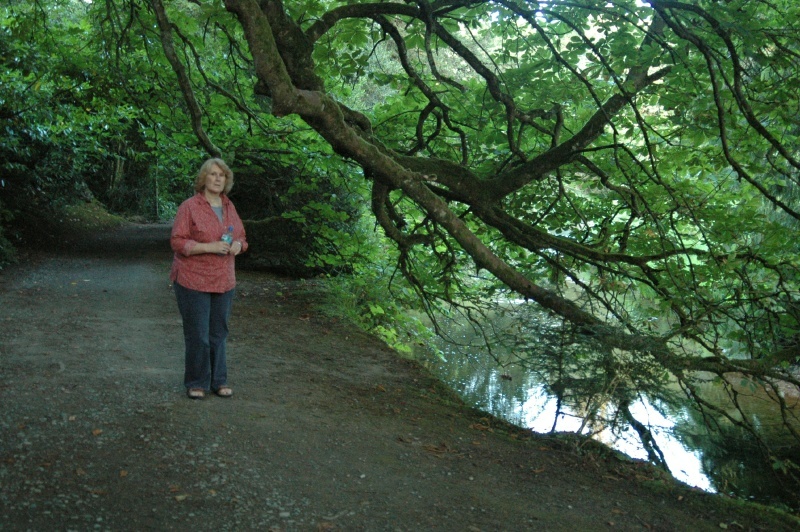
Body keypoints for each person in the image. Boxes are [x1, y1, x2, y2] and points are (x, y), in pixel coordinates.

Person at [170, 158, 247, 399]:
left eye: (221, 175)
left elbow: (243, 238)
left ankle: (219, 380)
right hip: (193, 279)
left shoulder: (229, 207)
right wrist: (209, 247)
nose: (217, 179)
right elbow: (177, 241)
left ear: (227, 181)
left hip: (224, 279)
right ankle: (197, 382)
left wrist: (237, 245)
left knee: (218, 333)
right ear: (204, 178)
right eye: (213, 174)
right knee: (198, 334)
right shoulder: (189, 206)